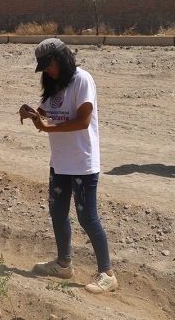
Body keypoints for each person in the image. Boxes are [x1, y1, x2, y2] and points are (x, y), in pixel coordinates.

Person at [19, 38, 117, 294]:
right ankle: (63, 264)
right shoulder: (55, 85)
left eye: (48, 65)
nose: (47, 71)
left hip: (82, 162)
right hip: (60, 162)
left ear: (61, 59)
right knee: (58, 213)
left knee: (88, 218)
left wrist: (47, 126)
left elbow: (83, 121)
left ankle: (107, 273)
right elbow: (44, 113)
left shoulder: (82, 80)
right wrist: (30, 112)